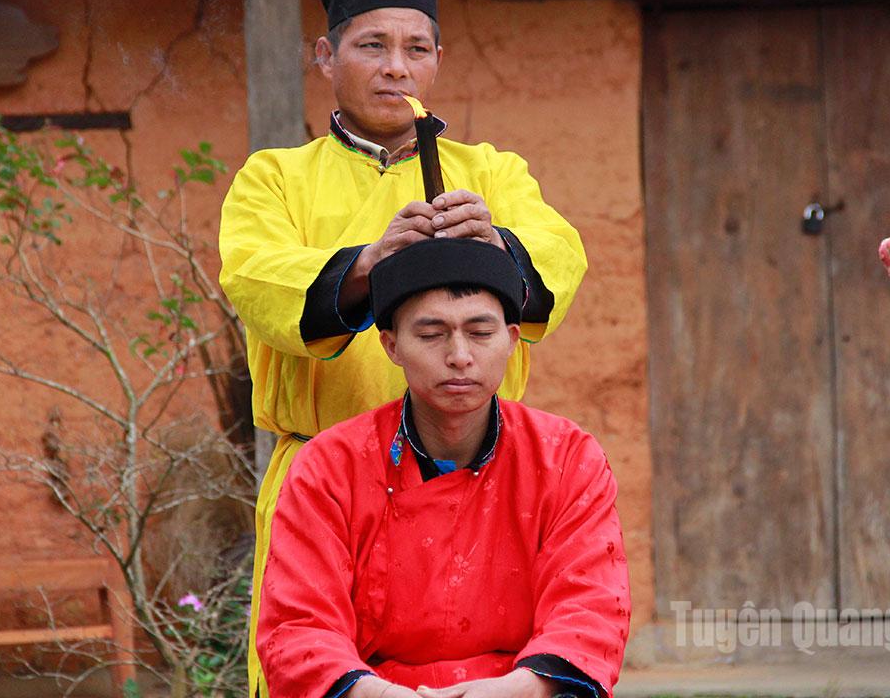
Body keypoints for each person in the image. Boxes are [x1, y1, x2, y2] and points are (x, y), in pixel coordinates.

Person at [218, 0, 588, 695]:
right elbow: (255, 281)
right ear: (326, 57)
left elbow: (560, 260)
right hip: (324, 483)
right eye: (371, 46)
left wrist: (496, 243)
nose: (397, 69)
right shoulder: (276, 179)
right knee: (316, 669)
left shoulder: (491, 173)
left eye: (416, 49)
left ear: (438, 62)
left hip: (476, 479)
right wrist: (370, 264)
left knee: (473, 659)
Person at [256, 238, 629, 698]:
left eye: (480, 332)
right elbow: (298, 626)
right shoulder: (329, 466)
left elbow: (590, 607)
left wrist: (522, 688)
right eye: (431, 335)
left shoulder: (565, 457)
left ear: (512, 339)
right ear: (391, 345)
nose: (459, 356)